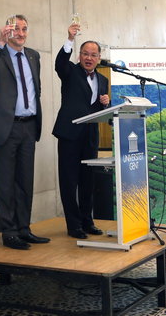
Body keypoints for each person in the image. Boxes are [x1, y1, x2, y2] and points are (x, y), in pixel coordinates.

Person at [0, 15, 49, 250]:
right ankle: (8, 232)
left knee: (25, 181)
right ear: (8, 31)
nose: (21, 33)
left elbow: (34, 88)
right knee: (5, 182)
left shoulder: (33, 56)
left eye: (24, 29)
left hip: (29, 125)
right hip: (6, 127)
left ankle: (24, 229)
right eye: (16, 29)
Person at [52, 23, 110, 239]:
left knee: (88, 181)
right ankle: (73, 225)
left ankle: (87, 221)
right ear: (79, 55)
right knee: (69, 181)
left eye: (93, 55)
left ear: (99, 57)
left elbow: (95, 108)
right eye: (85, 53)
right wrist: (69, 38)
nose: (89, 57)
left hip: (90, 136)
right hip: (69, 134)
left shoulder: (102, 80)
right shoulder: (70, 72)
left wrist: (105, 103)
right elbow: (59, 63)